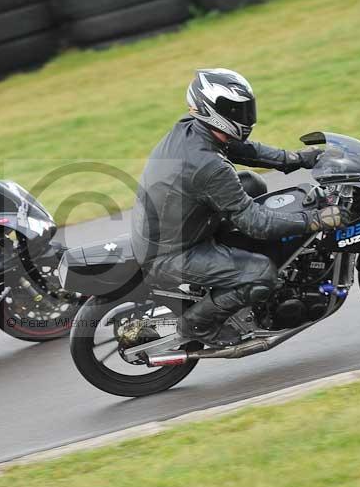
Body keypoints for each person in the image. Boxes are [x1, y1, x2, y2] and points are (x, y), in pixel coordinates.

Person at [131, 68, 346, 347]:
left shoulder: (195, 130)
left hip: (174, 227)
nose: (245, 117)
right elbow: (257, 223)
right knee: (261, 275)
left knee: (252, 184)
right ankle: (197, 325)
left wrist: (295, 159)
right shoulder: (208, 165)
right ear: (213, 110)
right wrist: (316, 220)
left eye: (246, 109)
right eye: (236, 110)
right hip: (172, 254)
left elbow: (245, 149)